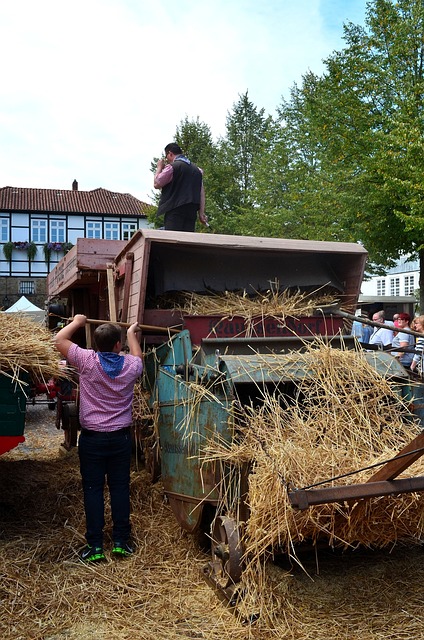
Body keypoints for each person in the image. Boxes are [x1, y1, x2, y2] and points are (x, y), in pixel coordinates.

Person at [55, 315, 143, 562]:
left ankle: (95, 547)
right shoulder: (130, 366)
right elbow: (138, 356)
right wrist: (131, 334)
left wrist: (77, 322)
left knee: (93, 490)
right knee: (120, 488)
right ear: (118, 345)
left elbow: (59, 340)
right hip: (120, 439)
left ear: (95, 345)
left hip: (92, 439)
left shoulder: (86, 360)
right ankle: (120, 543)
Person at [154, 143, 207, 231]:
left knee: (172, 237)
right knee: (186, 238)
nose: (167, 160)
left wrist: (159, 167)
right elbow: (201, 193)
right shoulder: (198, 170)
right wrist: (201, 213)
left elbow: (157, 183)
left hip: (175, 210)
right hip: (191, 211)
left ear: (170, 153)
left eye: (166, 156)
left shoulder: (173, 167)